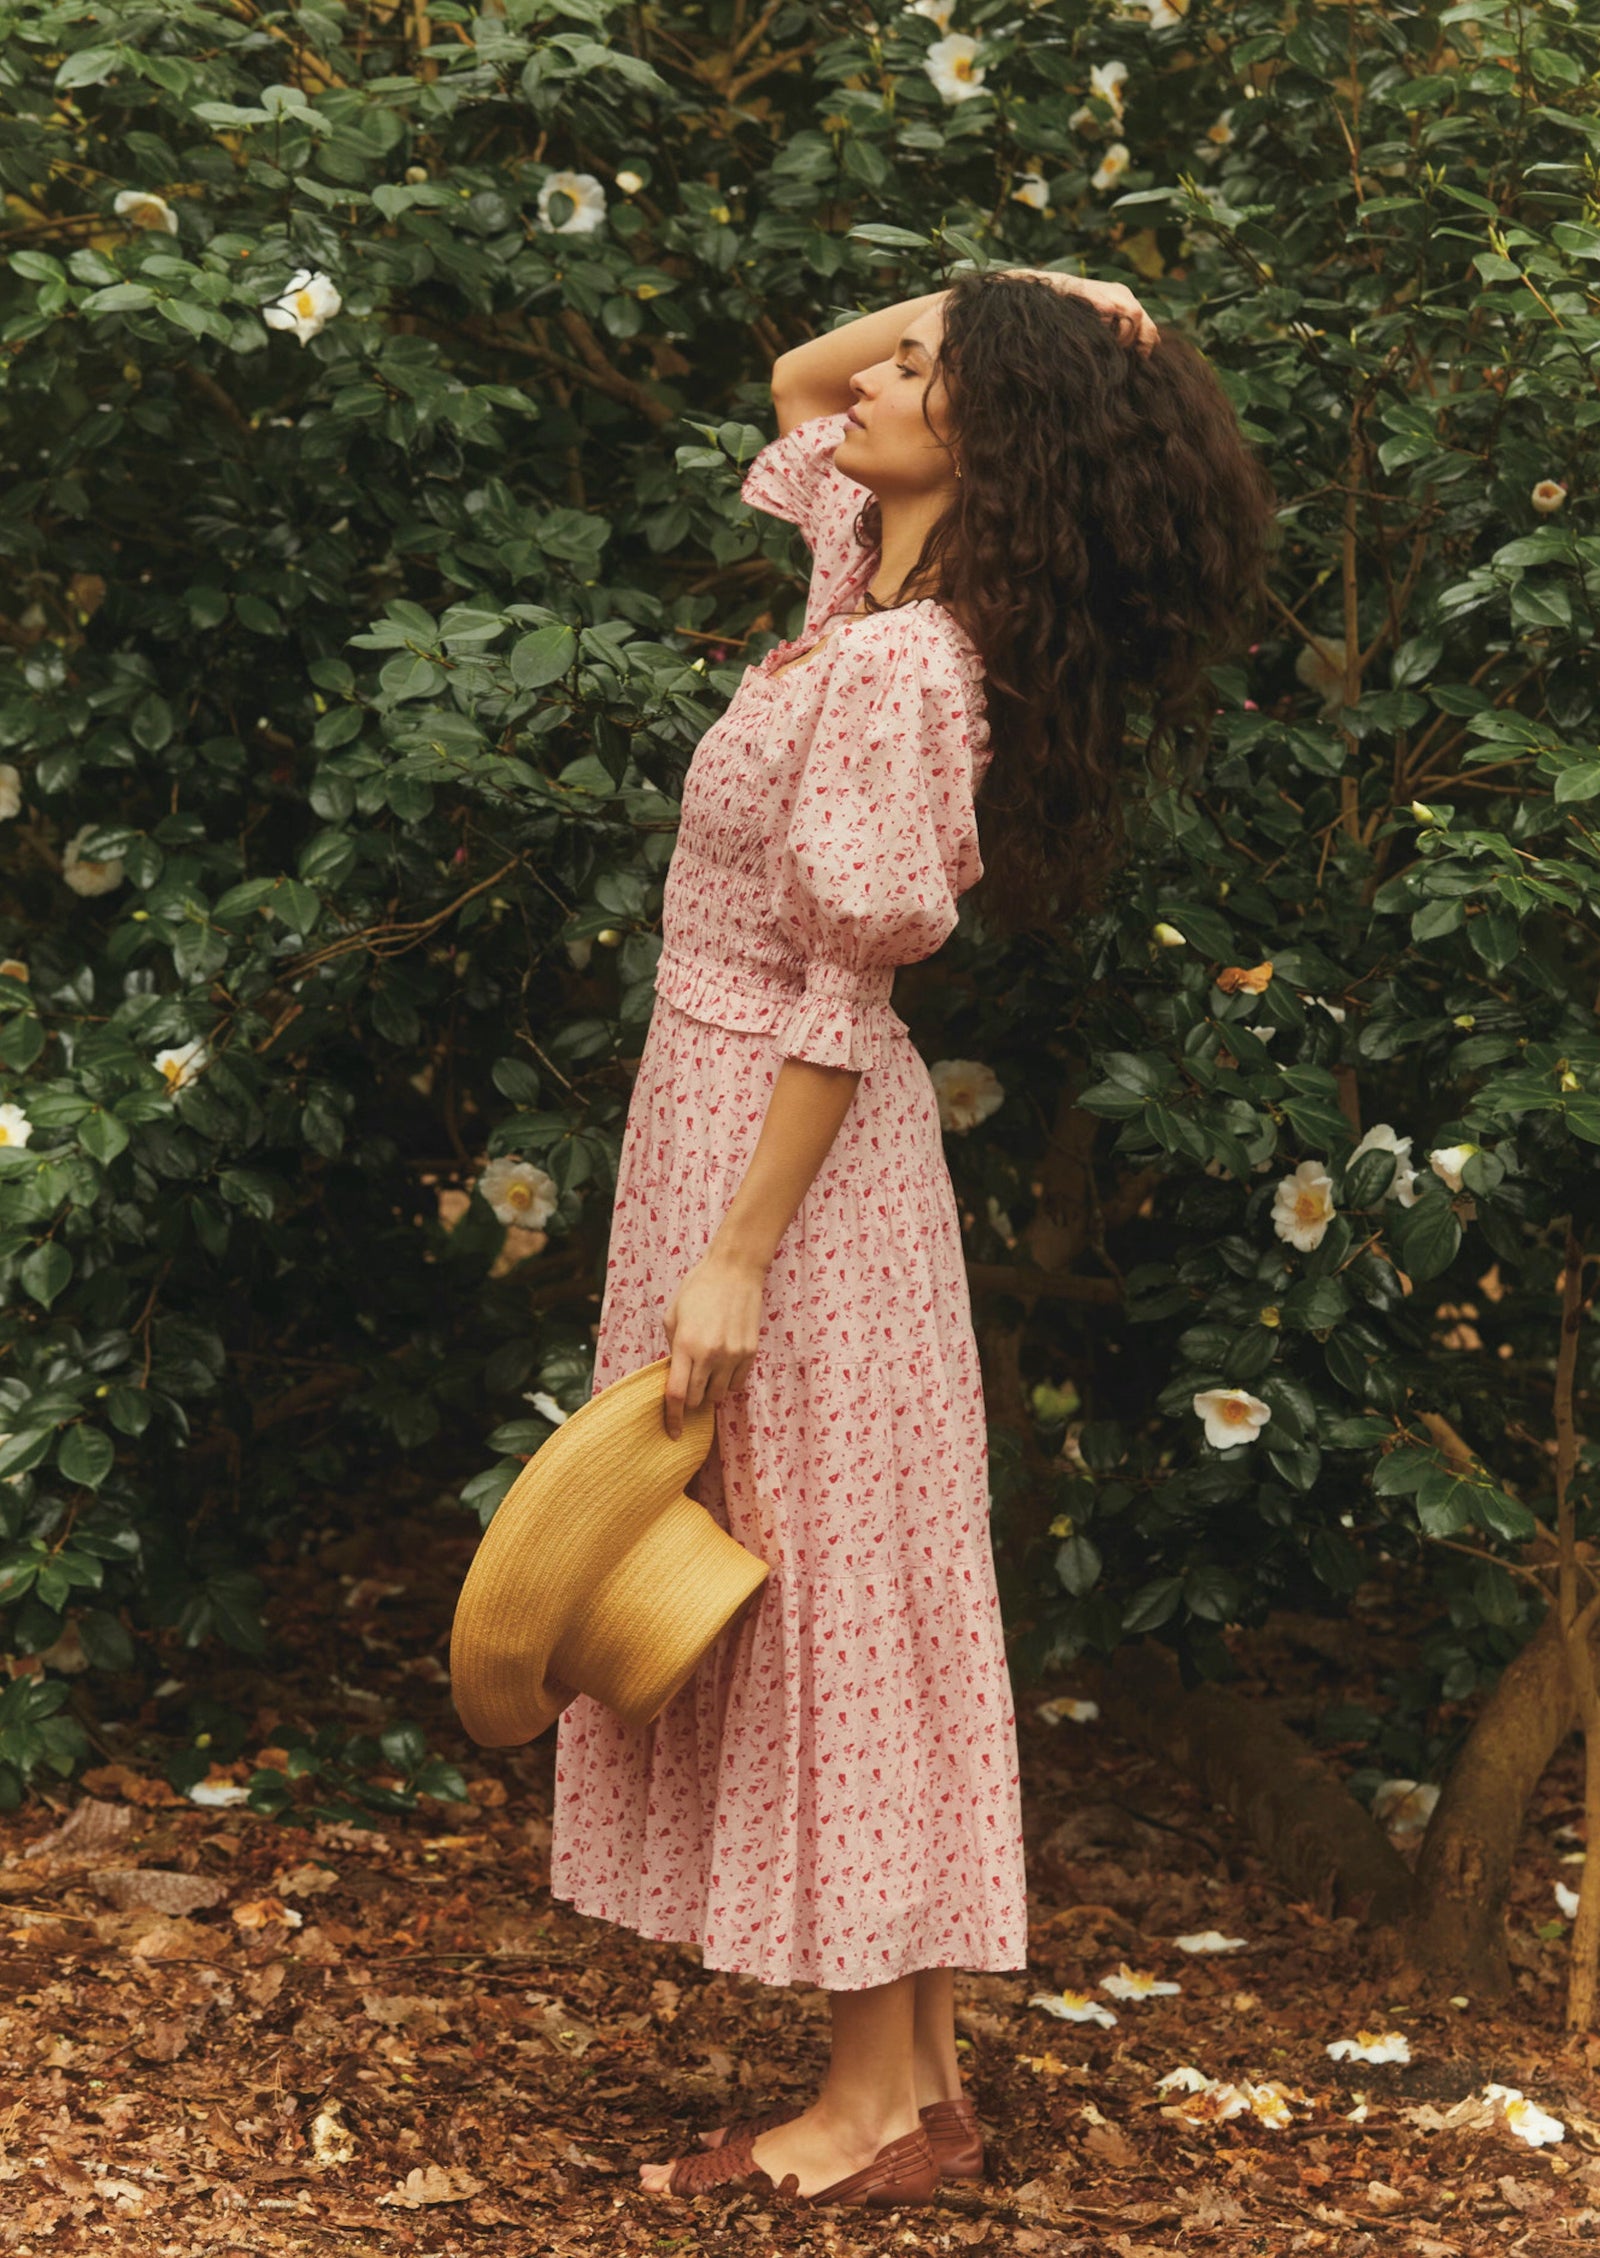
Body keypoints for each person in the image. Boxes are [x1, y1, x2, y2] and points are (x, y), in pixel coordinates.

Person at [548, 268, 1277, 2210]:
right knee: (839, 1580)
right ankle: (921, 2083)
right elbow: (791, 371)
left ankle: (871, 2104)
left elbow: (840, 999)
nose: (861, 382)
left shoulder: (901, 664)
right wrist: (996, 299)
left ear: (994, 442)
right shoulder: (852, 581)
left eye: (918, 372)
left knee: (827, 1598)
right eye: (890, 360)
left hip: (787, 1161)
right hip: (732, 1131)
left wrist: (733, 1253)